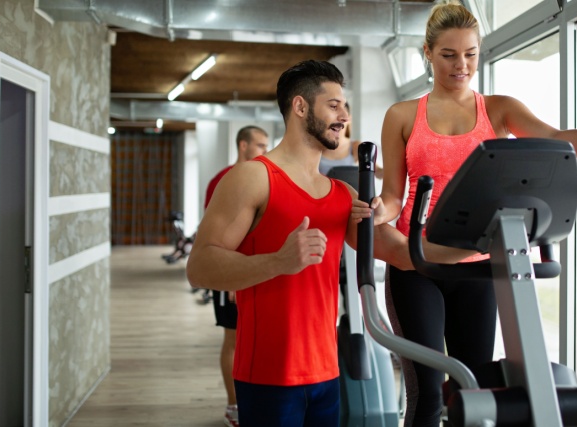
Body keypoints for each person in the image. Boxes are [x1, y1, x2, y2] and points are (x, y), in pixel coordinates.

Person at [376, 2, 577, 426]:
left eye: (470, 53)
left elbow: (557, 141)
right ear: (428, 53)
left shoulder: (499, 109)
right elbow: (394, 195)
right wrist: (380, 209)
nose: (461, 65)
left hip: (480, 266)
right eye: (449, 54)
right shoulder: (401, 115)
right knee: (429, 391)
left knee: (475, 390)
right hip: (419, 265)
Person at [186, 59, 436, 427]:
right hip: (268, 376)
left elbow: (400, 253)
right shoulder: (253, 178)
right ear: (300, 107)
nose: (343, 117)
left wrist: (478, 245)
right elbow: (199, 267)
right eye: (333, 106)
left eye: (345, 107)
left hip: (325, 372)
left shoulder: (342, 194)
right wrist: (278, 261)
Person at [202, 125, 269, 427]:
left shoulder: (263, 178)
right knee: (233, 338)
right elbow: (215, 239)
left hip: (258, 272)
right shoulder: (224, 180)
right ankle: (234, 406)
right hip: (232, 273)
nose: (265, 151)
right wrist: (232, 276)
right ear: (243, 146)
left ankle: (255, 401)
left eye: (268, 145)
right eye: (260, 145)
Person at [319, 117, 384, 179]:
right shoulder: (317, 146)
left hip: (350, 189)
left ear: (348, 120)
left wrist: (388, 171)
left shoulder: (355, 146)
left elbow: (377, 171)